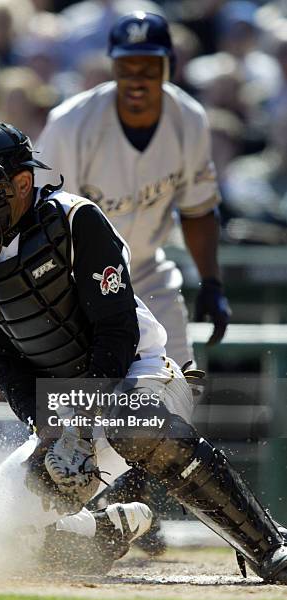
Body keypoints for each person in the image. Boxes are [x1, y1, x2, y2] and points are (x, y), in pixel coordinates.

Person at [0, 111, 287, 582]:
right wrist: (48, 426)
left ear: (20, 184)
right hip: (63, 406)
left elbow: (117, 333)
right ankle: (102, 533)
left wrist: (78, 424)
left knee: (132, 424)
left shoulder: (75, 219)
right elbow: (2, 357)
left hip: (141, 376)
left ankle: (268, 545)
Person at [36, 11, 231, 367]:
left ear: (169, 66)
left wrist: (211, 282)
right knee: (85, 409)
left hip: (147, 271)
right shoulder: (71, 123)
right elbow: (42, 215)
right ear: (113, 67)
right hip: (79, 279)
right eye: (128, 66)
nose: (137, 78)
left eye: (149, 66)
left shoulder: (188, 117)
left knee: (176, 397)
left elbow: (198, 208)